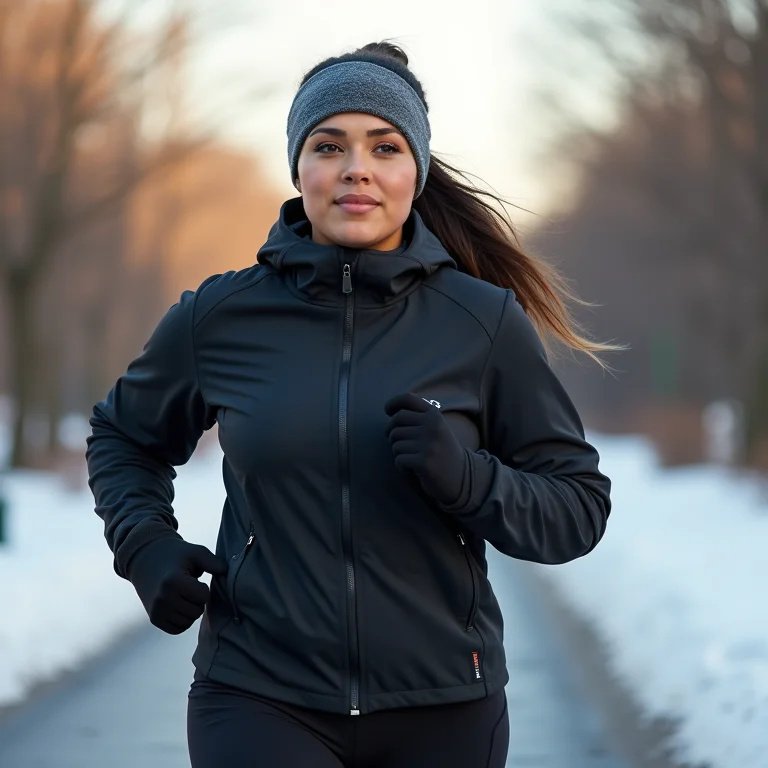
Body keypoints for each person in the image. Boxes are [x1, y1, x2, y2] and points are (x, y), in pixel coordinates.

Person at [86, 41, 614, 768]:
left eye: (385, 146)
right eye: (329, 144)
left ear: (415, 171)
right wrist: (144, 543)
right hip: (258, 694)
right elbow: (123, 435)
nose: (355, 168)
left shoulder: (482, 323)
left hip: (443, 706)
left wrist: (467, 478)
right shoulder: (221, 316)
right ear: (299, 166)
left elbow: (577, 509)